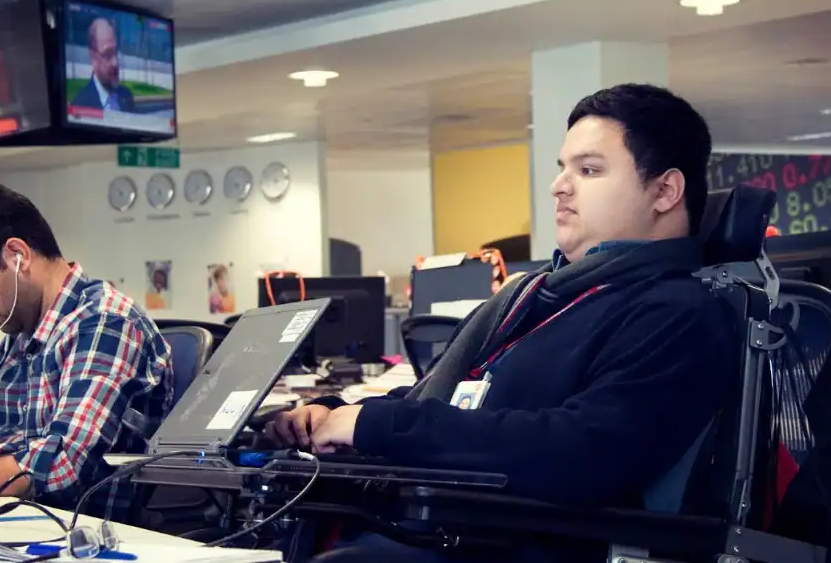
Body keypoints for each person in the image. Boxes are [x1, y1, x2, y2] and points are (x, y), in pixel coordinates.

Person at [266, 83, 740, 562]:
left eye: (589, 170)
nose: (560, 186)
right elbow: (444, 402)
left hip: (507, 545)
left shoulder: (679, 314)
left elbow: (580, 453)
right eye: (563, 169)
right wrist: (334, 415)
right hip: (433, 532)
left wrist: (380, 425)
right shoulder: (535, 297)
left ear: (665, 191)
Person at [0, 178, 173, 522]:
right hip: (7, 525)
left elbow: (55, 467)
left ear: (17, 255)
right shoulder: (21, 334)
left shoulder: (104, 324)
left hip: (71, 536)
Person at [70, 18, 136, 112]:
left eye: (115, 52)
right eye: (107, 54)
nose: (115, 62)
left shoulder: (126, 96)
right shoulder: (80, 106)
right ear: (93, 58)